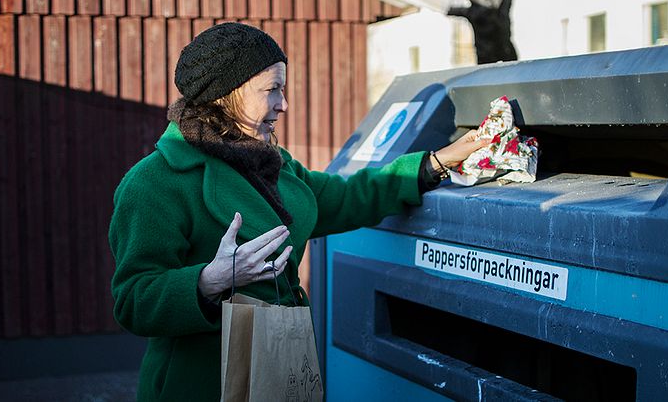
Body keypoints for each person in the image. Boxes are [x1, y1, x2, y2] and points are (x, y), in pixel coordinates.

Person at [109, 22, 490, 402]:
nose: (283, 104)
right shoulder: (155, 182)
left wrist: (435, 163)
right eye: (272, 89)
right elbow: (133, 300)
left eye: (283, 89)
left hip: (281, 368)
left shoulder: (273, 163)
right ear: (226, 95)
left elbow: (345, 197)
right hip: (201, 385)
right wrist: (209, 281)